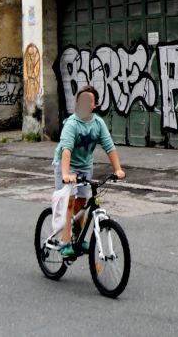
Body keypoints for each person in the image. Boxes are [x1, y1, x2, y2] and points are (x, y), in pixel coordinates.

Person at [53, 85, 125, 257]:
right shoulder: (72, 124)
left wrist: (118, 169)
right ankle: (65, 242)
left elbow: (109, 147)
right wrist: (65, 174)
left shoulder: (98, 123)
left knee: (82, 204)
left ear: (95, 105)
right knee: (69, 202)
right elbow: (66, 150)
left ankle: (77, 237)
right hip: (66, 165)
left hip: (85, 166)